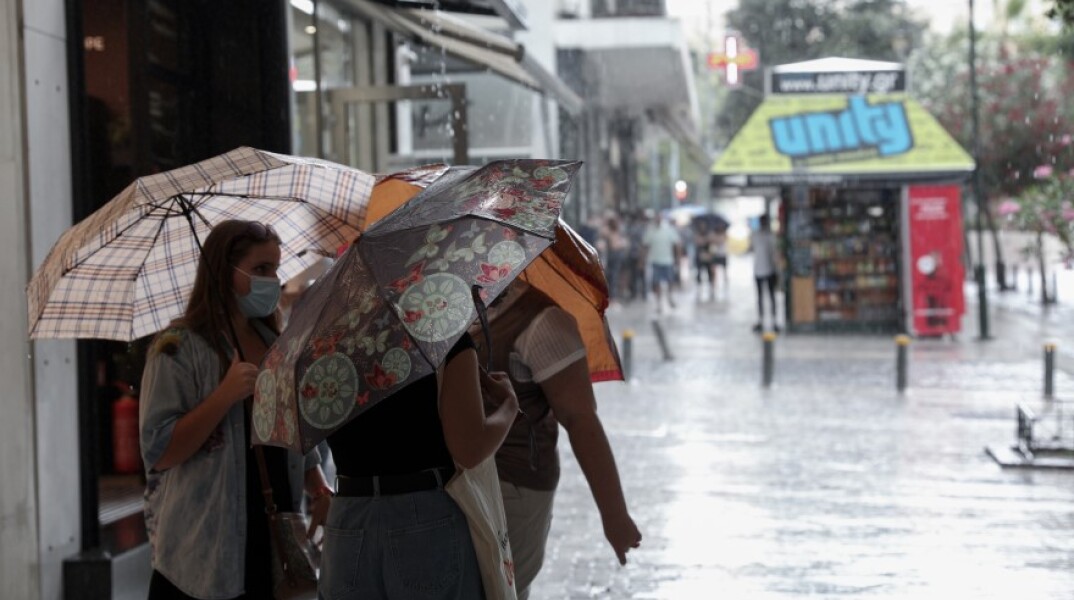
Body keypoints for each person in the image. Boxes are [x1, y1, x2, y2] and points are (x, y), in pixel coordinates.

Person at [140, 220, 332, 599]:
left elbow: (291, 426)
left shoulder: (275, 342)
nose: (272, 280)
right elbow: (159, 450)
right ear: (225, 271)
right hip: (203, 557)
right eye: (261, 269)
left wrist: (317, 484)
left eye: (276, 268)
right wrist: (223, 396)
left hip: (274, 542)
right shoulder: (178, 349)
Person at [319, 324, 520, 597]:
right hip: (424, 520)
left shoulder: (325, 341)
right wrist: (509, 405)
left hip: (347, 522)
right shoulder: (440, 334)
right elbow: (470, 448)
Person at [472, 280, 642, 599]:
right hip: (457, 484)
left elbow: (580, 420)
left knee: (502, 591)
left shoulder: (541, 321)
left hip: (514, 485)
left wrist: (614, 515)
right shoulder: (445, 307)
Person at [642, 213, 681, 313]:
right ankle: (658, 303)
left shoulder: (669, 230)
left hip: (668, 260)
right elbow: (645, 246)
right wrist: (643, 259)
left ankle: (670, 296)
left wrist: (677, 258)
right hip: (655, 260)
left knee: (670, 281)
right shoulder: (650, 231)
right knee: (656, 282)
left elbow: (677, 244)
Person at [752, 214, 780, 332]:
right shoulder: (760, 235)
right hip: (761, 270)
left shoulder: (766, 236)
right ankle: (762, 320)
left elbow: (774, 254)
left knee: (769, 297)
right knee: (763, 297)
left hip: (768, 270)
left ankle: (772, 321)